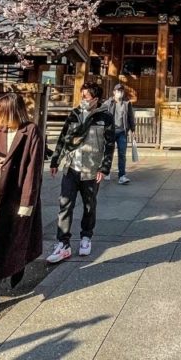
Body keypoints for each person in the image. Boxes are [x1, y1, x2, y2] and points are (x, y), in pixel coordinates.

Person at [0, 94, 44, 321]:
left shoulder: (31, 131)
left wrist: (27, 202)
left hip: (17, 195)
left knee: (15, 240)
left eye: (2, 111)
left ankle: (17, 266)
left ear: (13, 111)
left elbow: (34, 168)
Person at [46, 83, 114, 264]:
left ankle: (86, 236)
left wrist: (104, 167)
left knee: (89, 205)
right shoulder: (74, 114)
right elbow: (63, 137)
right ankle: (63, 243)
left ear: (96, 99)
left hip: (91, 169)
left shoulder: (105, 117)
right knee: (65, 204)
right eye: (82, 96)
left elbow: (109, 144)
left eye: (87, 97)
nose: (83, 99)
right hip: (71, 166)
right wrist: (55, 160)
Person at [103, 83, 136, 185]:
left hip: (122, 131)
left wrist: (133, 129)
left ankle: (122, 175)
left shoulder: (126, 103)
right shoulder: (108, 103)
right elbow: (102, 115)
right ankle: (106, 171)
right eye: (118, 91)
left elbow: (130, 117)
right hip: (111, 131)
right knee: (109, 152)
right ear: (114, 92)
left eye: (121, 91)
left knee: (122, 154)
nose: (120, 93)